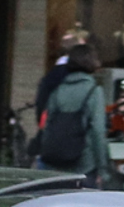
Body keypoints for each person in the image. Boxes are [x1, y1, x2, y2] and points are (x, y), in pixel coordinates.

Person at [32, 44, 108, 182]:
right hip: (84, 164)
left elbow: (47, 124)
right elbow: (98, 130)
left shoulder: (59, 89)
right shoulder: (94, 91)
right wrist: (102, 169)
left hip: (56, 164)